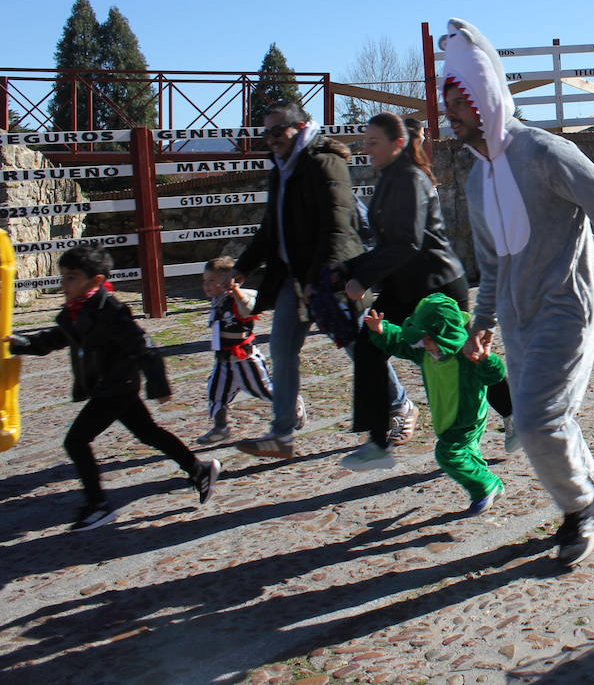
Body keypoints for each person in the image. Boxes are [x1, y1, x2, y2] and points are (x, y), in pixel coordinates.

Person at [442, 17, 594, 568]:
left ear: (483, 96)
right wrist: (483, 319)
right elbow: (490, 258)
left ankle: (581, 508)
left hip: (568, 307)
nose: (450, 114)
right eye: (447, 104)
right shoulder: (476, 178)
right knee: (550, 415)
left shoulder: (542, 152)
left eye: (458, 101)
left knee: (533, 420)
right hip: (516, 316)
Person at [4, 246, 220, 531]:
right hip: (107, 386)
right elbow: (58, 337)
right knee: (148, 432)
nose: (64, 284)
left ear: (95, 280)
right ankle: (199, 469)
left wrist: (158, 385)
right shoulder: (77, 308)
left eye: (72, 277)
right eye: (64, 276)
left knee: (76, 441)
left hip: (117, 386)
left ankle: (98, 505)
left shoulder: (112, 310)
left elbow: (144, 347)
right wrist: (22, 343)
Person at [232, 103, 400, 459]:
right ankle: (281, 434)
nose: (272, 139)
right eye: (266, 133)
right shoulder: (281, 169)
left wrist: (323, 278)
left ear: (302, 126)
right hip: (295, 280)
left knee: (358, 347)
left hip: (330, 278)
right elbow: (270, 227)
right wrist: (243, 266)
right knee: (281, 350)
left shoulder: (325, 161)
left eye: (279, 131)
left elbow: (338, 224)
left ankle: (400, 405)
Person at [334, 112, 472, 470]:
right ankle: (378, 443)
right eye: (365, 141)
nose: (366, 149)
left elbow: (407, 243)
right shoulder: (389, 179)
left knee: (463, 361)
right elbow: (388, 244)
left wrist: (360, 279)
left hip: (436, 285)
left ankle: (511, 413)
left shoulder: (410, 178)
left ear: (397, 143)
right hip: (404, 285)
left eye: (373, 142)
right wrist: (348, 269)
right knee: (368, 346)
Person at [363, 294, 507, 513]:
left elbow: (494, 374)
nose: (424, 344)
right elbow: (402, 343)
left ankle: (486, 486)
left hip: (466, 417)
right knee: (467, 452)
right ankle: (481, 476)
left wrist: (487, 361)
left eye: (427, 339)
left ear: (443, 335)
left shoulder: (465, 356)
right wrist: (383, 330)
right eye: (422, 340)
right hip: (445, 415)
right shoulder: (426, 353)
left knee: (448, 453)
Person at [198, 256, 277, 444]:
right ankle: (220, 427)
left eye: (212, 281)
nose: (207, 285)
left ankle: (292, 404)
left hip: (244, 358)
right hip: (223, 359)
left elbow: (249, 310)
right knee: (216, 393)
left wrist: (236, 292)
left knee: (265, 390)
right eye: (205, 281)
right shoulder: (217, 300)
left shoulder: (239, 299)